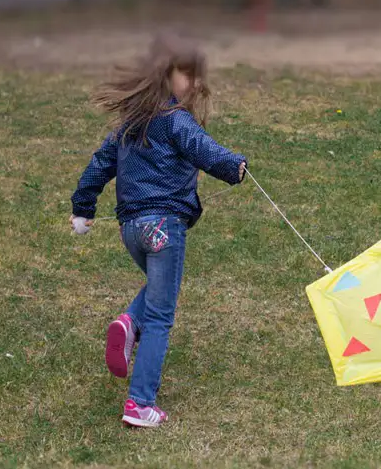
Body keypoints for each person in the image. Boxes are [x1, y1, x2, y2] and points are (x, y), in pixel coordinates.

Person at [69, 33, 247, 428]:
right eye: (191, 75)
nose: (197, 84)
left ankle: (128, 323)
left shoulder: (129, 125)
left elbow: (98, 165)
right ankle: (140, 403)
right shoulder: (175, 120)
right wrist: (234, 166)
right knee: (161, 317)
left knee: (156, 293)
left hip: (131, 229)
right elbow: (204, 148)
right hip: (164, 228)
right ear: (168, 74)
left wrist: (83, 209)